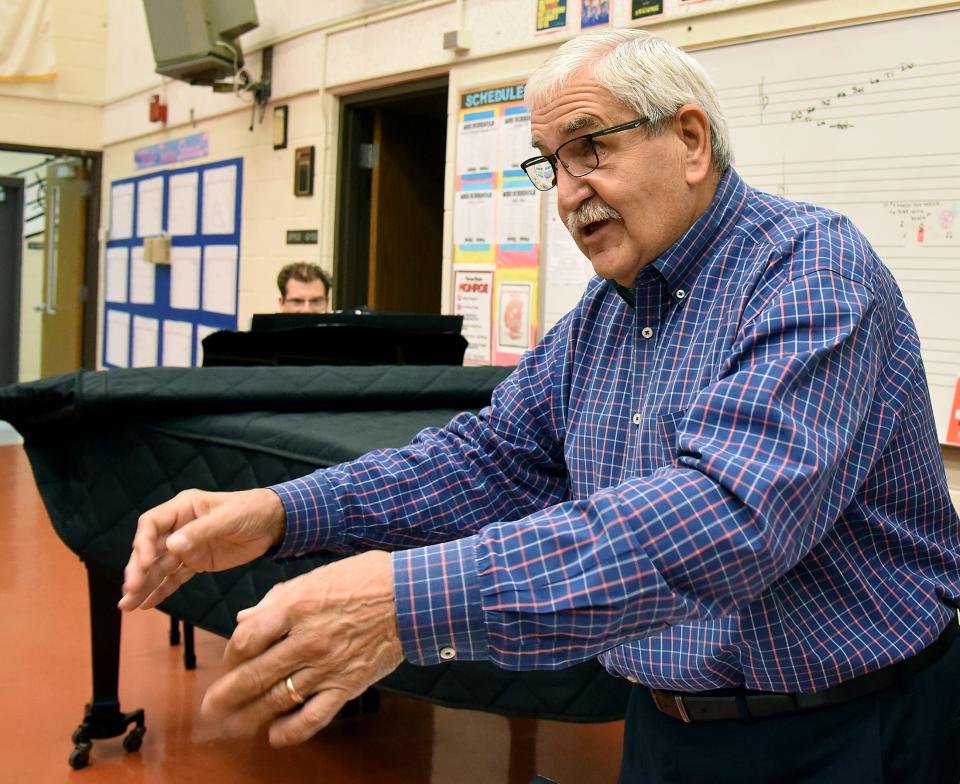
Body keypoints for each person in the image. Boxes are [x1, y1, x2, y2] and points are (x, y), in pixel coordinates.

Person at [120, 29, 960, 783]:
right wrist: (279, 511)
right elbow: (486, 458)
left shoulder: (811, 270)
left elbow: (728, 516)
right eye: (550, 163)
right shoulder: (603, 317)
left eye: (590, 148)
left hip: (853, 731)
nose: (567, 194)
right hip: (668, 726)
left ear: (691, 140)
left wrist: (403, 601)